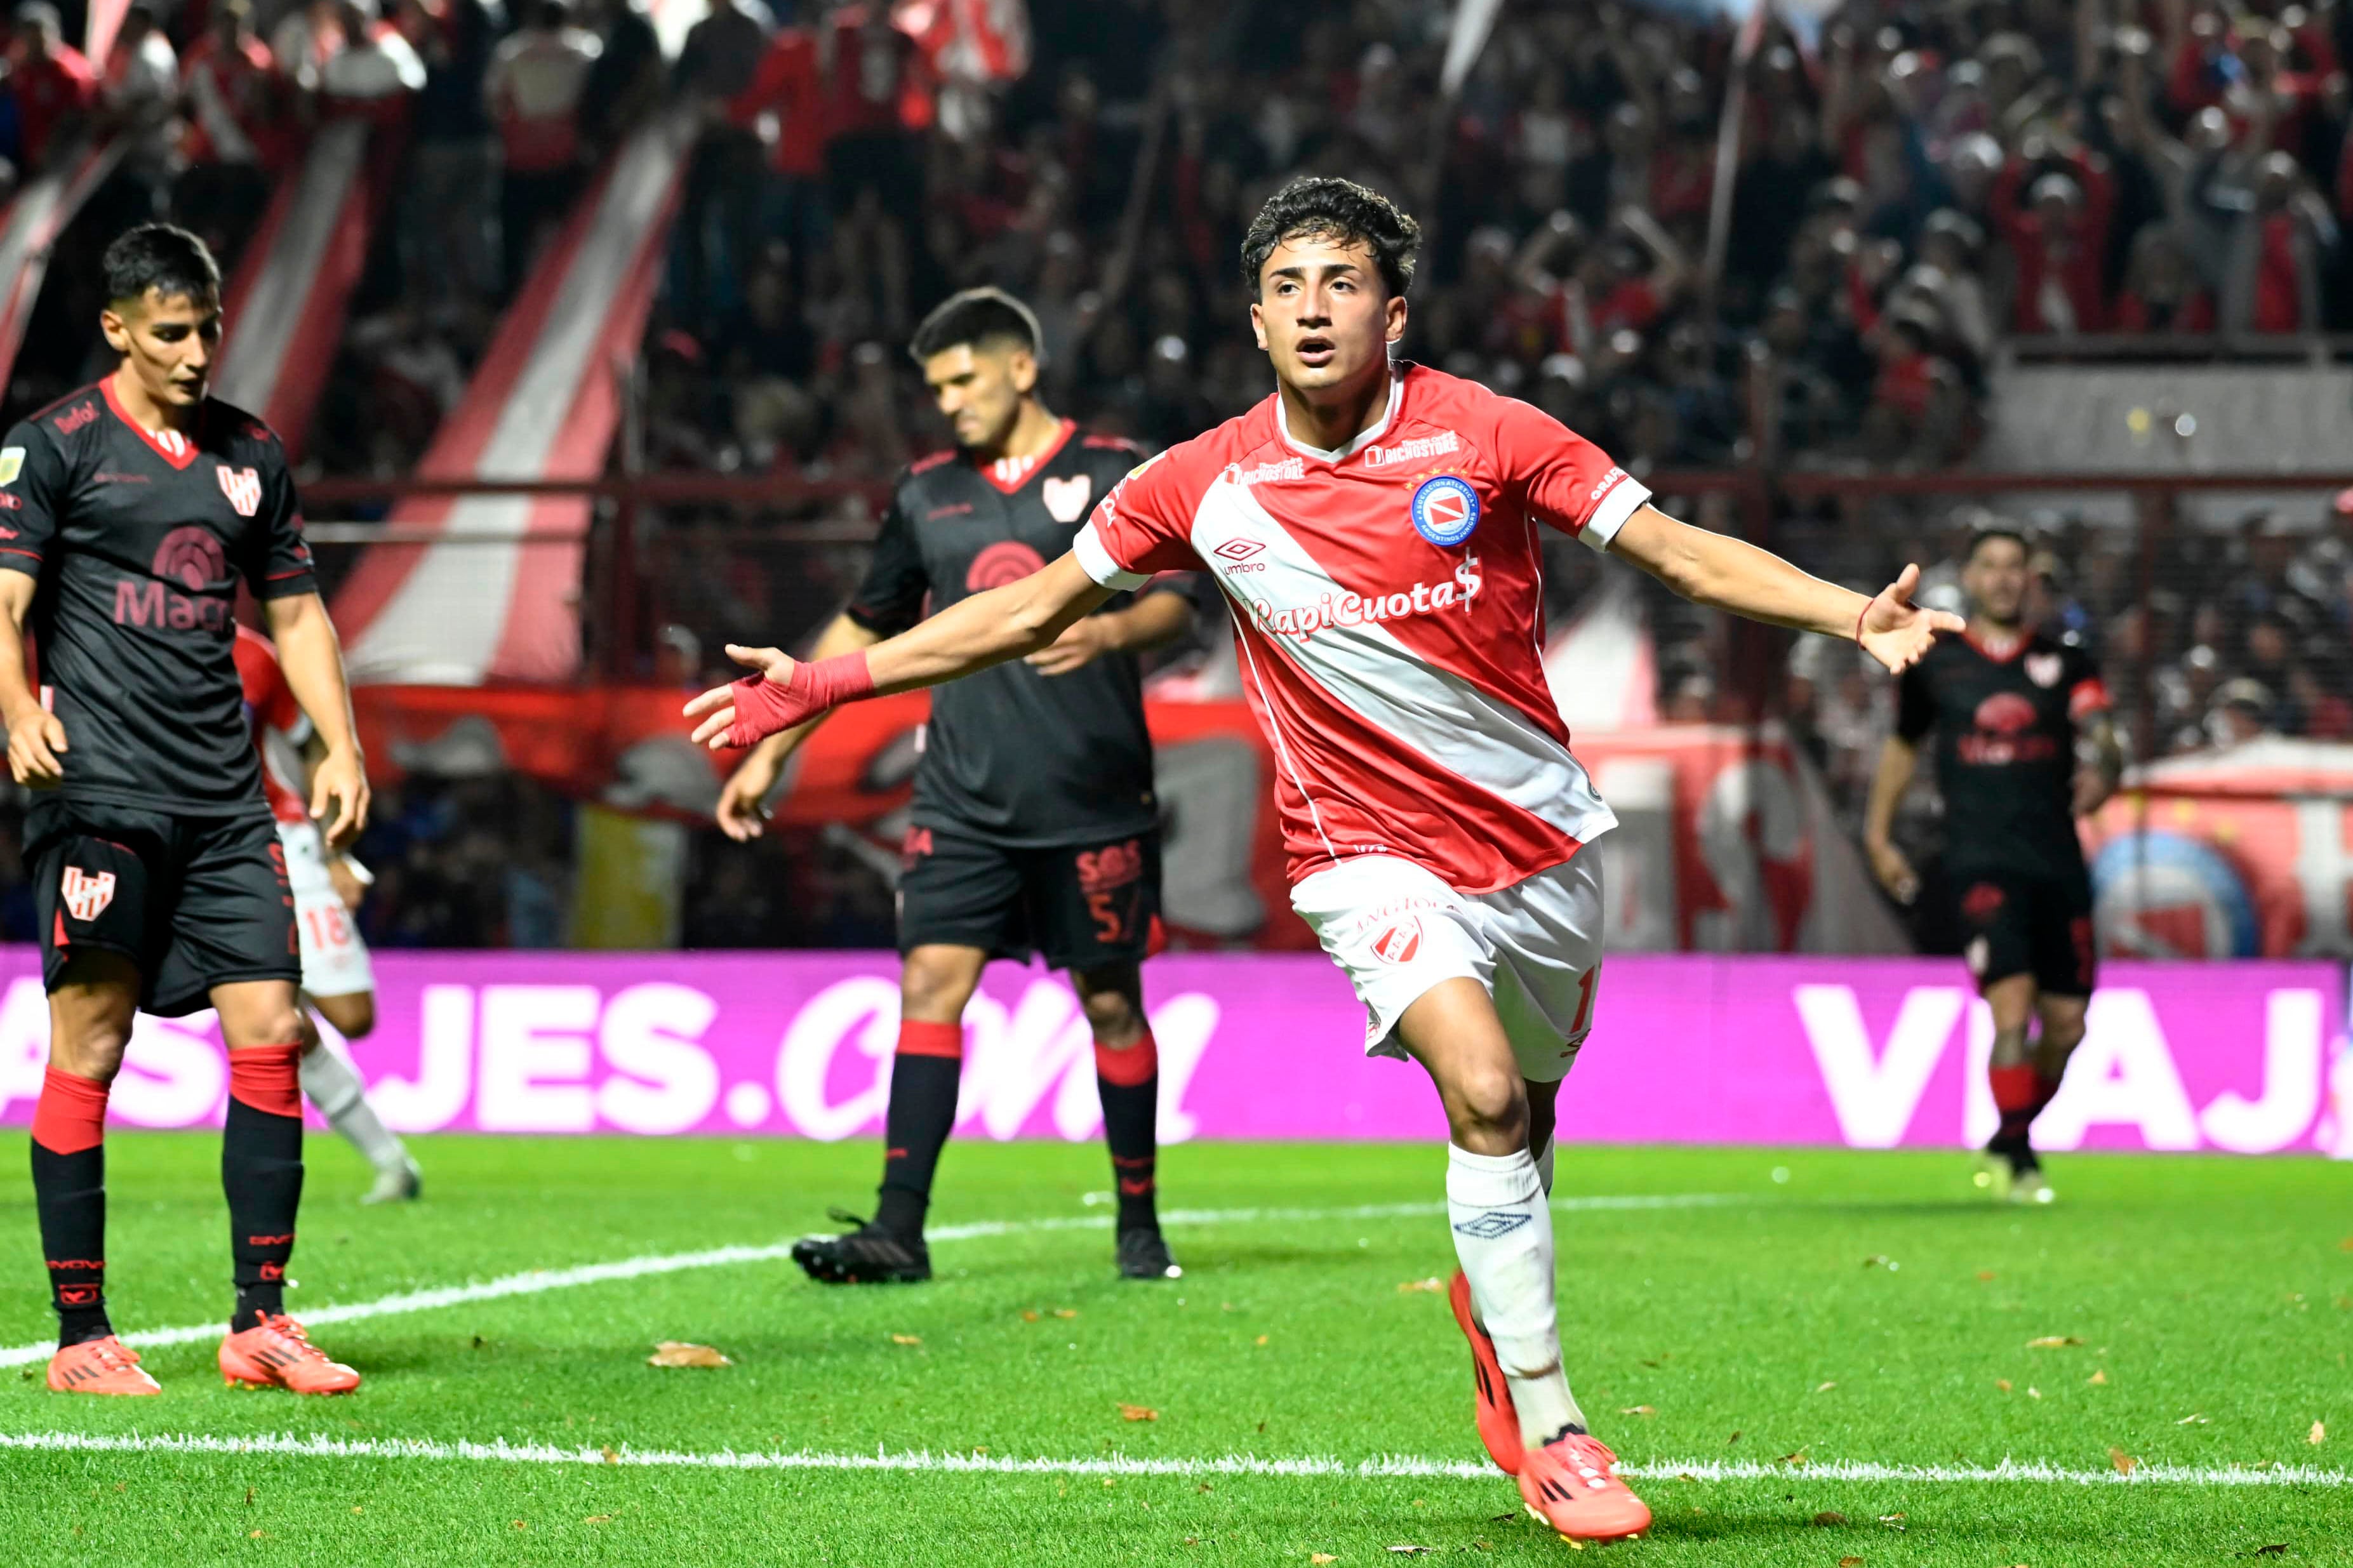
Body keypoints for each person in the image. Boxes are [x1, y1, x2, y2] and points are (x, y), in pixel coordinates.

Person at [684, 177, 1957, 1543]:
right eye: (1286, 287)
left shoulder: (1491, 432)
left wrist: (1851, 616)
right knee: (1480, 1095)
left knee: (1524, 1127)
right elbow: (1025, 609)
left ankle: (1494, 1320)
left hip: (1538, 845)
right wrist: (822, 687)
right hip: (1361, 853)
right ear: (1253, 320)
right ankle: (1555, 1429)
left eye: (1341, 283)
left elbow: (1674, 553)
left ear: (1392, 314)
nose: (1311, 309)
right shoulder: (1197, 480)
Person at [713, 286, 1199, 1287]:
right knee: (929, 984)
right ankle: (898, 1227)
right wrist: (774, 749)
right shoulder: (925, 493)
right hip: (961, 797)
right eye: (936, 388)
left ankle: (1139, 1224)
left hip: (1090, 794)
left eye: (964, 380)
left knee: (1111, 1001)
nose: (950, 403)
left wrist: (1107, 629)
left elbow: (1180, 608)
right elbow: (862, 627)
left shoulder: (1113, 470)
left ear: (1021, 367)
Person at [0, 223, 371, 1397]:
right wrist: (11, 710)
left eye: (209, 327)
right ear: (116, 329)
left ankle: (261, 1320)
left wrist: (343, 744)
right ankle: (81, 1334)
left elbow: (296, 613)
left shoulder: (251, 453)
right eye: (171, 332)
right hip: (100, 794)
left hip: (225, 801)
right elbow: (4, 601)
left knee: (272, 1029)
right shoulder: (52, 446)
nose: (198, 351)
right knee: (92, 1044)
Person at [1865, 524, 2118, 1206]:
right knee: (2012, 1008)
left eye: (2015, 567)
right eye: (1991, 566)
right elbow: (1902, 748)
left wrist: (2108, 768)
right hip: (1979, 861)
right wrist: (1878, 836)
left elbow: (2102, 733)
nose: (2004, 578)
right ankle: (2021, 1159)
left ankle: (2009, 1137)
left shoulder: (2066, 661)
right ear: (1971, 578)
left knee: (2066, 1026)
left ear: (2030, 579)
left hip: (2057, 864)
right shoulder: (1938, 663)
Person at [234, 623, 420, 1203]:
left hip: (283, 837)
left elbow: (312, 743)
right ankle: (391, 1163)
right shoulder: (126, 644)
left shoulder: (251, 655)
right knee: (279, 1021)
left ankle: (282, 985)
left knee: (353, 1016)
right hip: (205, 859)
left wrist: (336, 849)